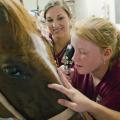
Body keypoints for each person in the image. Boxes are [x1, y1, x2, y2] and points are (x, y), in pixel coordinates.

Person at [48, 17, 120, 120]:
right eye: (74, 49)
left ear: (106, 53)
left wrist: (89, 106)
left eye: (83, 52)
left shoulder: (116, 78)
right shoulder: (80, 69)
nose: (74, 58)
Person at [43, 0, 72, 66]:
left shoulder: (78, 46)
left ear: (69, 18)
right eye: (50, 20)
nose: (55, 25)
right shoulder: (42, 44)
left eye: (60, 18)